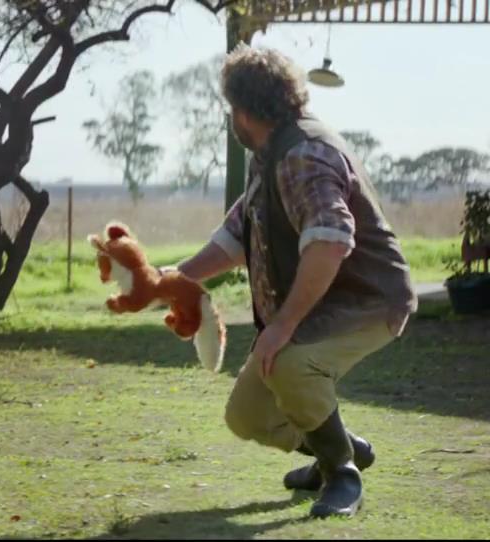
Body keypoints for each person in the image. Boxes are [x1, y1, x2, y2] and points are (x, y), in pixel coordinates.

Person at [173, 44, 417, 519]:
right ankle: (340, 447)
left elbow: (330, 242)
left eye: (231, 109)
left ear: (243, 111)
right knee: (246, 416)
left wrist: (282, 326)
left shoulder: (302, 154)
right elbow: (238, 235)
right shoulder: (268, 152)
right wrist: (172, 279)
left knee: (288, 363)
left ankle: (341, 472)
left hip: (368, 302)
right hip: (323, 304)